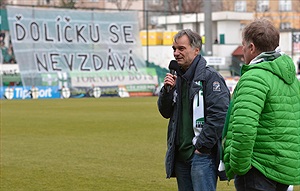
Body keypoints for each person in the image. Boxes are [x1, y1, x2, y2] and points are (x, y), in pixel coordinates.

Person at [222, 18, 300, 191]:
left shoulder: (253, 77)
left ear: (251, 47)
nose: (242, 50)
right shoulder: (292, 80)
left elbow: (244, 129)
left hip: (258, 170)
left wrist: (240, 166)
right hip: (283, 169)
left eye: (243, 45)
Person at [157, 29, 230, 191]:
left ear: (196, 50)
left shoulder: (211, 77)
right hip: (181, 155)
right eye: (174, 49)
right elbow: (165, 112)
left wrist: (202, 147)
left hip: (202, 156)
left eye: (181, 48)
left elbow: (220, 116)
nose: (176, 53)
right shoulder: (176, 77)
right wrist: (167, 91)